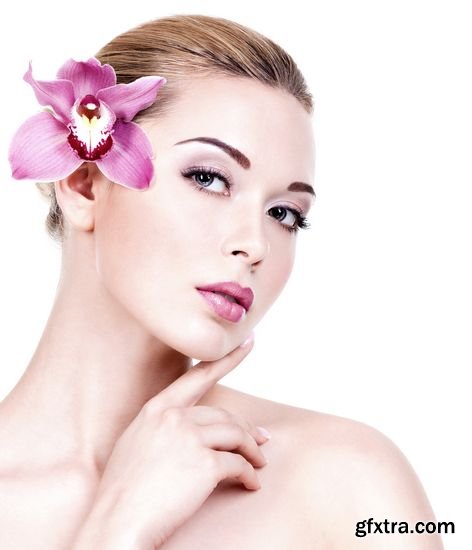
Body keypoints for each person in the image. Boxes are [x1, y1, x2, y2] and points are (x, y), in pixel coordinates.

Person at [0, 14, 443, 549]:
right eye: (208, 178)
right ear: (84, 184)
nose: (255, 245)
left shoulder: (351, 481)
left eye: (284, 214)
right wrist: (117, 531)